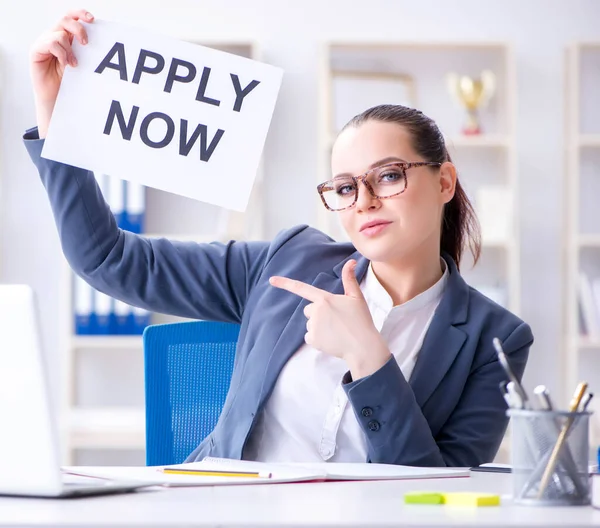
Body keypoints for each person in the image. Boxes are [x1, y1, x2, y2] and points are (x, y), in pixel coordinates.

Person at [24, 9, 533, 467]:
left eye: (390, 175)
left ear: (444, 182)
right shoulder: (288, 260)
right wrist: (57, 119)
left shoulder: (497, 341)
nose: (365, 202)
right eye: (345, 187)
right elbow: (108, 259)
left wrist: (369, 359)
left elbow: (438, 499)